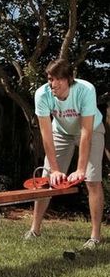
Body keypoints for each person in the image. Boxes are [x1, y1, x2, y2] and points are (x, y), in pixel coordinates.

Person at [24, 58, 105, 249]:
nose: (53, 84)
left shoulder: (85, 90)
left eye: (58, 79)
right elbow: (46, 135)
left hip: (91, 130)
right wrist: (54, 170)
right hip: (60, 132)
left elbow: (86, 133)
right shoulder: (42, 94)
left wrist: (80, 169)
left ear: (69, 79)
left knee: (92, 180)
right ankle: (34, 230)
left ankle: (95, 236)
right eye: (50, 79)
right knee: (45, 180)